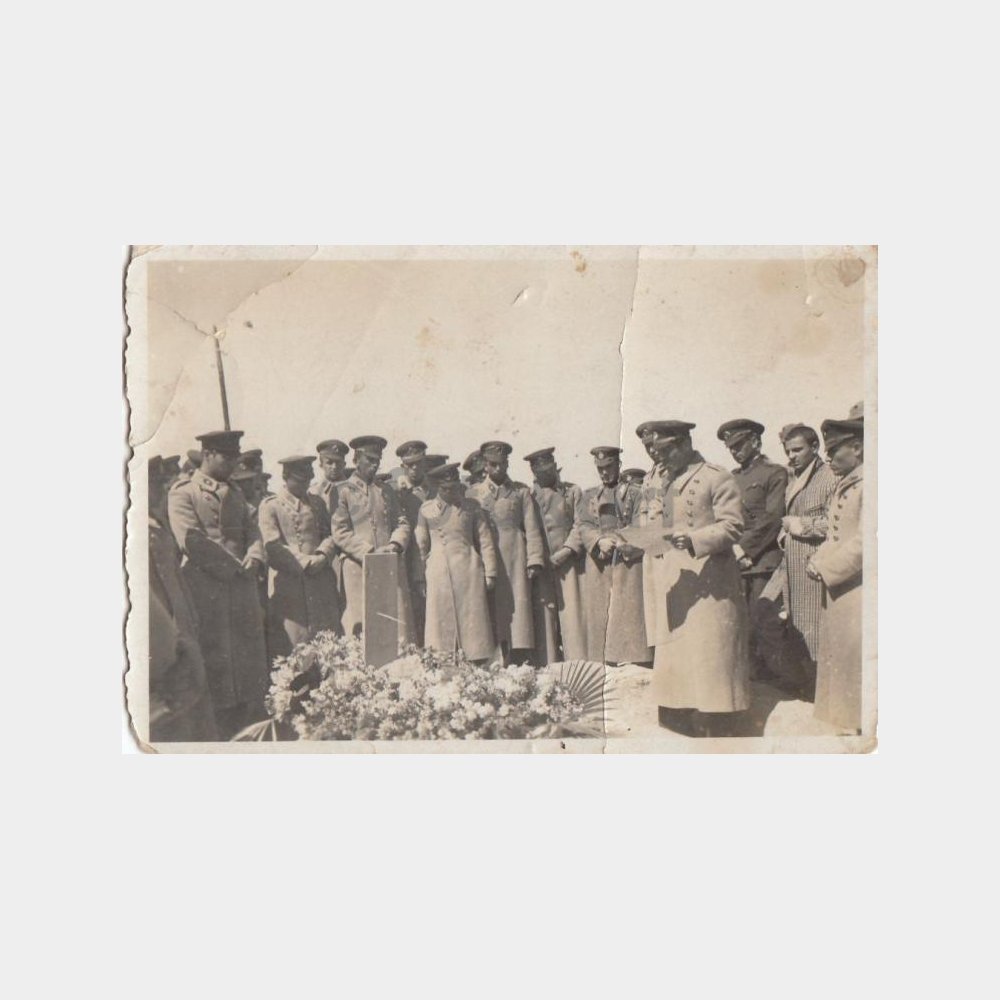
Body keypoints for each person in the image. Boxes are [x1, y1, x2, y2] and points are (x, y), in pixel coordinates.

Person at [637, 421, 749, 736]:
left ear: (685, 444)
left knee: (710, 661)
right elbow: (654, 523)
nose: (661, 457)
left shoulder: (716, 476)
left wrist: (696, 539)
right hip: (674, 582)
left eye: (667, 450)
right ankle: (677, 721)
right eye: (657, 451)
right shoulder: (661, 480)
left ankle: (716, 726)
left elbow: (733, 526)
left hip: (710, 583)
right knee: (677, 663)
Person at [167, 430, 269, 738]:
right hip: (208, 589)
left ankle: (248, 720)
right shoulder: (184, 493)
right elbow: (192, 541)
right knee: (218, 659)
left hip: (242, 587)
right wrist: (234, 568)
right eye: (227, 457)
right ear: (208, 454)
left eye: (235, 456)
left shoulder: (235, 491)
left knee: (246, 660)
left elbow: (253, 530)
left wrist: (255, 556)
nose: (233, 463)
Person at [147, 456, 217, 742]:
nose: (163, 490)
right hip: (163, 633)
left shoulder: (157, 523)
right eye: (157, 485)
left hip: (181, 622)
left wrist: (190, 614)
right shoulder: (139, 529)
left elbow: (175, 577)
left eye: (163, 484)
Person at [717, 418, 788, 684]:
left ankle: (785, 679)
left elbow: (772, 518)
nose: (735, 451)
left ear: (755, 442)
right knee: (740, 621)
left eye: (739, 445)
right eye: (731, 447)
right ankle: (751, 677)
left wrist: (745, 549)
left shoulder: (774, 473)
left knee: (765, 620)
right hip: (736, 558)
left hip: (763, 560)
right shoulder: (731, 478)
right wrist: (734, 549)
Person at [807, 405, 864, 733]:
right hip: (842, 587)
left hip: (858, 588)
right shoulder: (849, 482)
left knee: (856, 657)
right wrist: (818, 560)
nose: (828, 458)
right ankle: (849, 722)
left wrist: (829, 569)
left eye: (834, 451)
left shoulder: (870, 483)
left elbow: (866, 542)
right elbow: (836, 534)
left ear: (857, 447)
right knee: (843, 656)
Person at [331, 435, 415, 644]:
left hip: (389, 563)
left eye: (377, 460)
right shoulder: (342, 491)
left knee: (395, 627)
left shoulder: (386, 490)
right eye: (370, 459)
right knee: (363, 629)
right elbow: (340, 531)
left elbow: (402, 522)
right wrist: (368, 552)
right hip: (358, 566)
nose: (375, 464)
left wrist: (395, 545)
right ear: (356, 460)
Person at [467, 441, 545, 662]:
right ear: (485, 465)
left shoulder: (520, 491)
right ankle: (493, 658)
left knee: (518, 610)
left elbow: (531, 527)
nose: (499, 468)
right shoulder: (473, 493)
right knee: (489, 608)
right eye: (493, 464)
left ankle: (520, 658)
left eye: (502, 463)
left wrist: (534, 559)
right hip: (486, 557)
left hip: (515, 556)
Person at [259, 455, 343, 659]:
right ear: (286, 477)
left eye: (308, 479)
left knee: (327, 643)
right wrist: (306, 563)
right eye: (300, 480)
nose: (305, 484)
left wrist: (322, 555)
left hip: (320, 581)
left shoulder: (317, 503)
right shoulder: (271, 506)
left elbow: (330, 534)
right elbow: (273, 547)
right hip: (291, 585)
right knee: (296, 645)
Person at [414, 462, 498, 661]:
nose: (451, 492)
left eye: (454, 487)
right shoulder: (426, 510)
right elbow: (421, 546)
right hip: (439, 572)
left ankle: (477, 659)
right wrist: (420, 578)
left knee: (473, 622)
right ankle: (442, 659)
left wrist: (490, 573)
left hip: (469, 570)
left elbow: (485, 541)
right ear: (438, 487)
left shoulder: (471, 507)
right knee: (440, 623)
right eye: (445, 489)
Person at [576, 446, 651, 665]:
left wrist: (619, 540)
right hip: (599, 561)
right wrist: (598, 540)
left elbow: (641, 523)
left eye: (608, 467)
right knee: (600, 611)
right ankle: (601, 661)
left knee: (629, 610)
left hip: (627, 561)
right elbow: (584, 525)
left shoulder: (636, 493)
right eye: (600, 468)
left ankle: (635, 659)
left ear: (618, 465)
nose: (604, 472)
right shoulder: (589, 496)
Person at [777, 423, 837, 697]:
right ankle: (807, 685)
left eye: (797, 450)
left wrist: (800, 525)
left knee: (816, 627)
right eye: (788, 451)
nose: (791, 456)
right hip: (792, 566)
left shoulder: (829, 477)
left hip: (815, 565)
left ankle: (820, 690)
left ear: (815, 447)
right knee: (796, 624)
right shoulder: (795, 478)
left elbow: (836, 523)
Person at [524, 447, 587, 664]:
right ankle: (548, 667)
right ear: (533, 472)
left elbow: (581, 524)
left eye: (548, 469)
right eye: (539, 472)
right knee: (545, 619)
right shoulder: (529, 496)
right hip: (542, 566)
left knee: (573, 617)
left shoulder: (572, 492)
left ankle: (577, 666)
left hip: (569, 563)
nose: (544, 475)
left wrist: (567, 551)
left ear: (555, 466)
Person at [310, 438, 351, 618]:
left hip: (351, 557)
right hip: (325, 559)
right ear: (321, 464)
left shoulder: (355, 490)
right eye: (329, 462)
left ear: (345, 464)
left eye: (338, 463)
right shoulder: (312, 493)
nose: (334, 467)